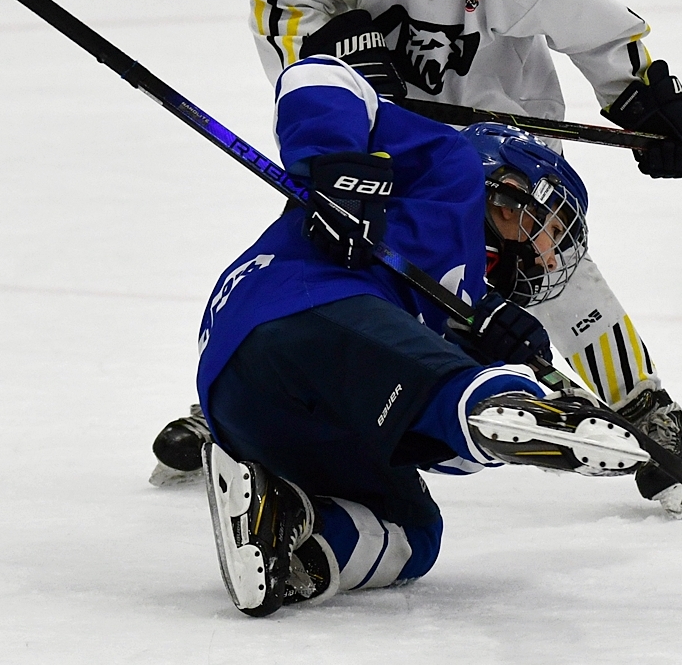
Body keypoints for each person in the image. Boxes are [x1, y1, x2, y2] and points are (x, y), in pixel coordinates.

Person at [155, 0, 682, 513]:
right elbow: (280, 11)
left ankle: (643, 403)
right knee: (335, 251)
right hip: (388, 135)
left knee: (534, 247)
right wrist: (338, 66)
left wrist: (646, 101)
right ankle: (247, 393)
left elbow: (598, 34)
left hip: (505, 132)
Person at [199, 52, 646, 616]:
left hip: (254, 414)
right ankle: (518, 408)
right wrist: (333, 168)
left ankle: (286, 530)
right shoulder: (451, 162)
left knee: (414, 535)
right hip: (289, 310)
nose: (547, 253)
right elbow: (317, 73)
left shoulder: (464, 305)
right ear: (507, 185)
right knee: (450, 384)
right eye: (548, 226)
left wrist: (492, 374)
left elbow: (426, 445)